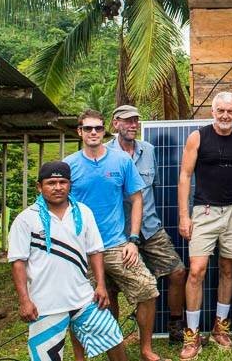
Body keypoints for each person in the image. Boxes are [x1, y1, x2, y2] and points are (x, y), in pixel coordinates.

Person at [63, 110, 164, 361]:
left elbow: (137, 198)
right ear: (80, 132)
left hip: (117, 244)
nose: (93, 132)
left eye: (98, 128)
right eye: (88, 129)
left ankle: (146, 348)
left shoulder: (121, 161)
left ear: (104, 130)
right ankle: (83, 355)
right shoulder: (69, 165)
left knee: (147, 289)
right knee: (81, 304)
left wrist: (133, 239)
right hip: (81, 248)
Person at [8, 161, 128, 361]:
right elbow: (18, 261)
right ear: (39, 186)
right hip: (45, 304)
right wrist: (24, 300)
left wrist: (100, 285)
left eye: (63, 182)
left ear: (70, 184)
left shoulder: (83, 212)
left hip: (83, 298)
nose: (57, 187)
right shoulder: (26, 219)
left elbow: (96, 251)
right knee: (46, 357)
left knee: (113, 338)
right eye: (51, 182)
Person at [177, 92, 232, 360]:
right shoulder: (198, 137)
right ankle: (191, 334)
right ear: (212, 111)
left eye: (230, 111)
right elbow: (185, 176)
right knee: (196, 270)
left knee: (227, 268)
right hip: (204, 211)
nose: (225, 116)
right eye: (220, 111)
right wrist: (184, 216)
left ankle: (220, 327)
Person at [106, 105, 188, 342]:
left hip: (150, 228)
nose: (132, 125)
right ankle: (113, 337)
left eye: (135, 121)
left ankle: (175, 326)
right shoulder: (105, 154)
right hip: (118, 233)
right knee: (111, 287)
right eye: (127, 121)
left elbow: (152, 190)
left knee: (178, 272)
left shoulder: (149, 150)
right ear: (115, 124)